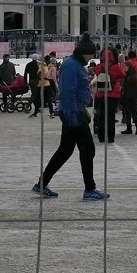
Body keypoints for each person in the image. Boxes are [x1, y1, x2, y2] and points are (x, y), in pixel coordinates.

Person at [33, 33, 109, 201]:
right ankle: (90, 188)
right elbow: (67, 92)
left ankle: (42, 183)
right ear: (84, 52)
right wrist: (73, 115)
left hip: (75, 112)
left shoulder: (75, 64)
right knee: (87, 150)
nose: (91, 58)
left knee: (66, 150)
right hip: (73, 114)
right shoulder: (72, 66)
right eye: (91, 54)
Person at [92, 46, 125, 144]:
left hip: (100, 94)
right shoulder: (116, 67)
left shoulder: (99, 67)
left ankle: (101, 136)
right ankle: (111, 137)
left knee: (101, 115)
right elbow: (123, 74)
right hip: (113, 95)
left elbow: (94, 71)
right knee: (111, 117)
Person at [121, 51, 137, 135]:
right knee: (128, 113)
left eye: (125, 66)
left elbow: (131, 88)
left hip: (131, 97)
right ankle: (129, 128)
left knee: (133, 114)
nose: (124, 67)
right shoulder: (128, 75)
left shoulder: (132, 76)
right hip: (128, 96)